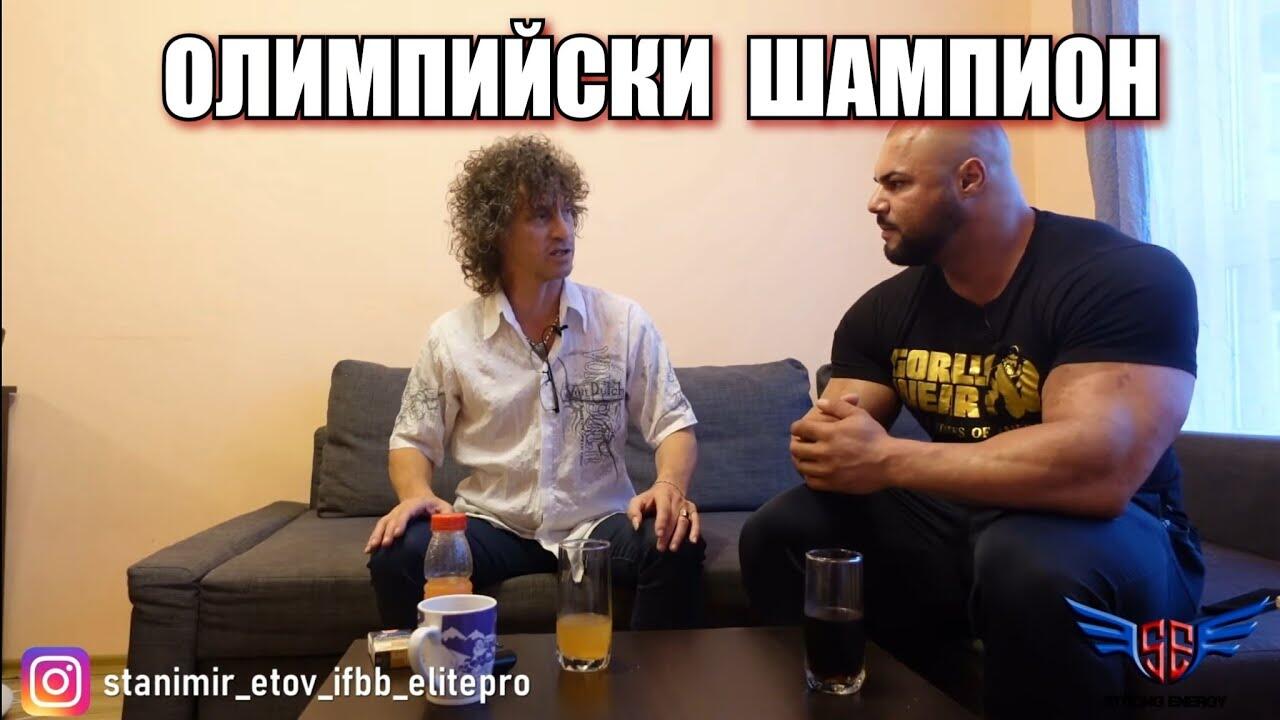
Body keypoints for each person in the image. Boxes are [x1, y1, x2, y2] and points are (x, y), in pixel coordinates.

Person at [739, 122, 1203, 718]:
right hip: (966, 521)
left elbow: (1098, 469)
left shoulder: (1121, 277)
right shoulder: (884, 311)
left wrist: (887, 458)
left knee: (1023, 558)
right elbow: (832, 440)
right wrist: (826, 443)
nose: (874, 202)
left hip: (1122, 530)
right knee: (783, 531)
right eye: (879, 183)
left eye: (896, 183)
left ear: (970, 178)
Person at [367, 135, 704, 630]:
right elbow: (412, 439)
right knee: (398, 553)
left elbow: (673, 424)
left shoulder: (622, 322)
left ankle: (652, 678)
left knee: (676, 541)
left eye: (568, 212)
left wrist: (669, 485)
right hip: (492, 523)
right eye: (542, 216)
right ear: (496, 231)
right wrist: (416, 493)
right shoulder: (452, 337)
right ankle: (439, 672)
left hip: (598, 522)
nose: (564, 230)